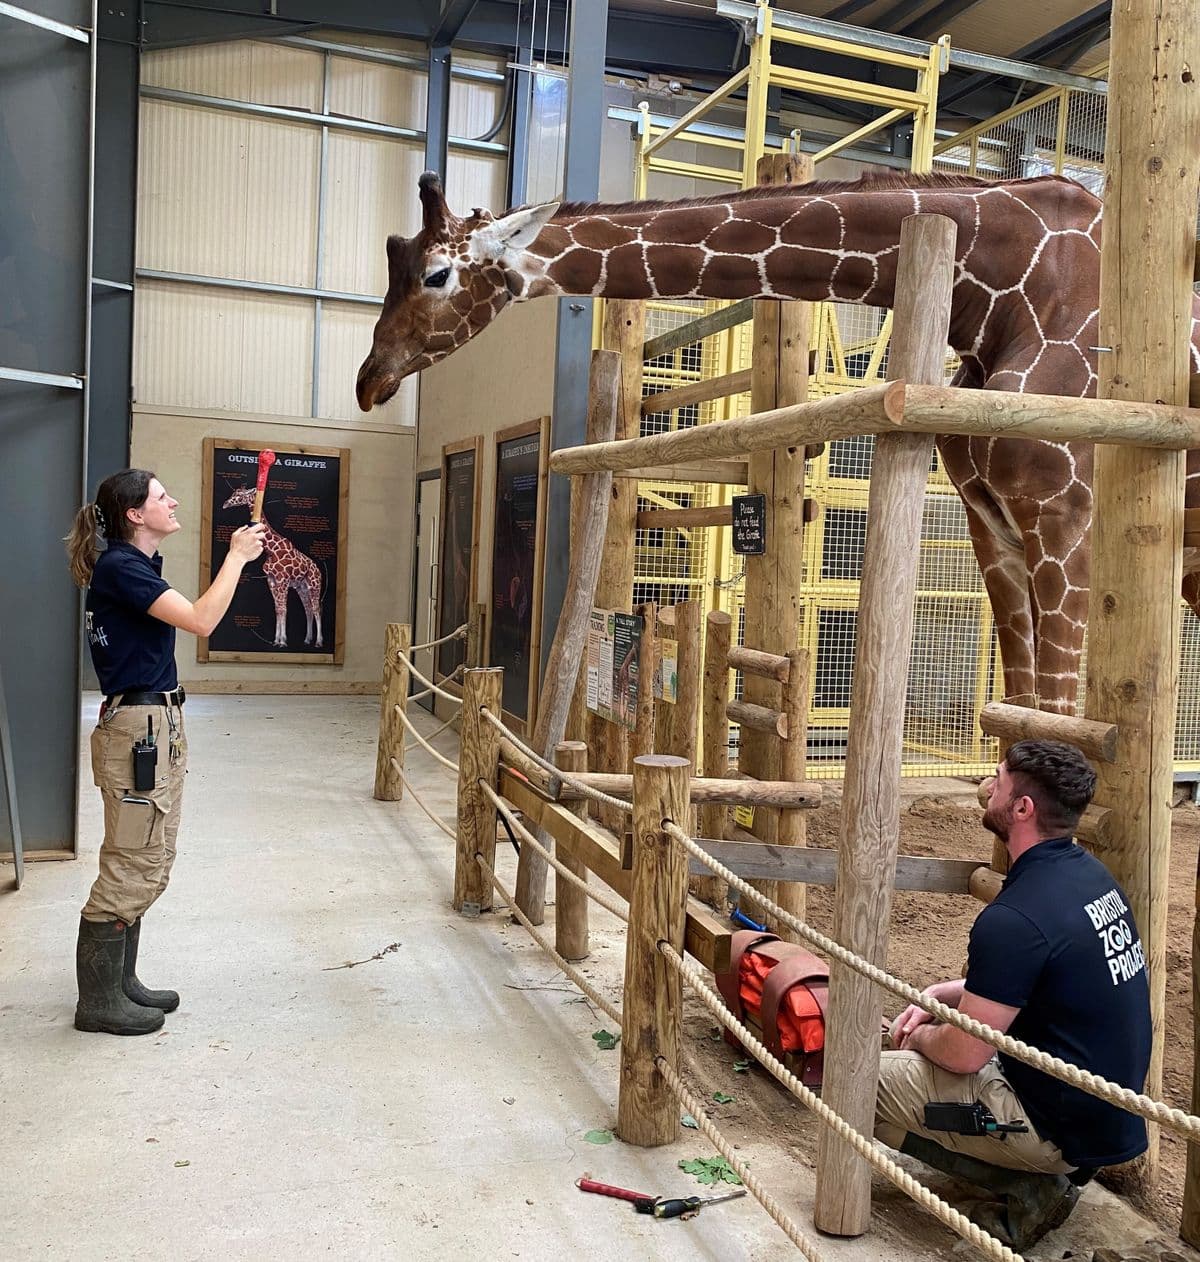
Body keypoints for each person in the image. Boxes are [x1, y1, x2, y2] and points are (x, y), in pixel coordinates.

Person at [875, 739, 1151, 1250]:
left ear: (1022, 808)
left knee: (860, 1080)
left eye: (997, 782)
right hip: (1099, 1118)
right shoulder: (1091, 878)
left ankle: (1030, 1184)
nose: (987, 790)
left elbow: (963, 1053)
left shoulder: (1012, 919)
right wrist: (947, 992)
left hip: (1054, 1127)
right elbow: (1051, 977)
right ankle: (1035, 1169)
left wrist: (918, 1039)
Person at [64, 469, 264, 1036]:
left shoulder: (136, 567)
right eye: (160, 497)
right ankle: (98, 1002)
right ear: (134, 514)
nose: (172, 501)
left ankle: (121, 982)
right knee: (132, 859)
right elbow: (202, 621)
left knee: (152, 856)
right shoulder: (122, 568)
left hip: (155, 721)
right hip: (137, 728)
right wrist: (238, 558)